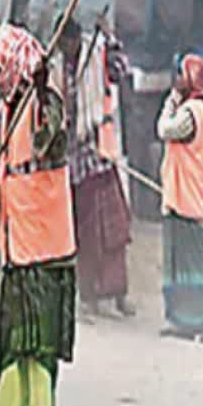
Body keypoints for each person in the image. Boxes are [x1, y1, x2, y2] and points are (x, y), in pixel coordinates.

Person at [0, 24, 78, 406]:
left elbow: (46, 142)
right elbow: (1, 167)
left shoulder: (45, 102)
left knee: (38, 337)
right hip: (15, 242)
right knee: (14, 336)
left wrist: (39, 89)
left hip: (45, 241)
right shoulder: (2, 113)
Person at [56, 21, 136, 321]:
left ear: (77, 38)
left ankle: (119, 294)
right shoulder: (55, 68)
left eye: (71, 42)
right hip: (75, 162)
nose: (69, 48)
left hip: (100, 155)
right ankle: (89, 297)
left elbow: (121, 70)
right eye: (64, 44)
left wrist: (111, 39)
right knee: (86, 234)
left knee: (114, 229)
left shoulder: (96, 54)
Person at [157, 54, 203, 343]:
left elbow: (164, 129)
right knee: (179, 264)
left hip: (188, 199)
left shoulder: (191, 112)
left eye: (181, 75)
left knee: (194, 265)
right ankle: (182, 321)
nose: (177, 80)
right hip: (182, 195)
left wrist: (170, 101)